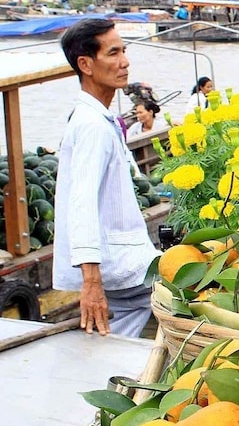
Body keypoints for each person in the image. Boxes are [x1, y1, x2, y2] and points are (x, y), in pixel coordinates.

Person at [54, 18, 160, 337]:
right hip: (120, 266)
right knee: (191, 293)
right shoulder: (92, 126)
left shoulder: (100, 118)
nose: (124, 61)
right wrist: (91, 280)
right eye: (113, 53)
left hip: (123, 260)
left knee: (120, 327)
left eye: (124, 51)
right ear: (85, 64)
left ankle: (115, 369)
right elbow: (81, 202)